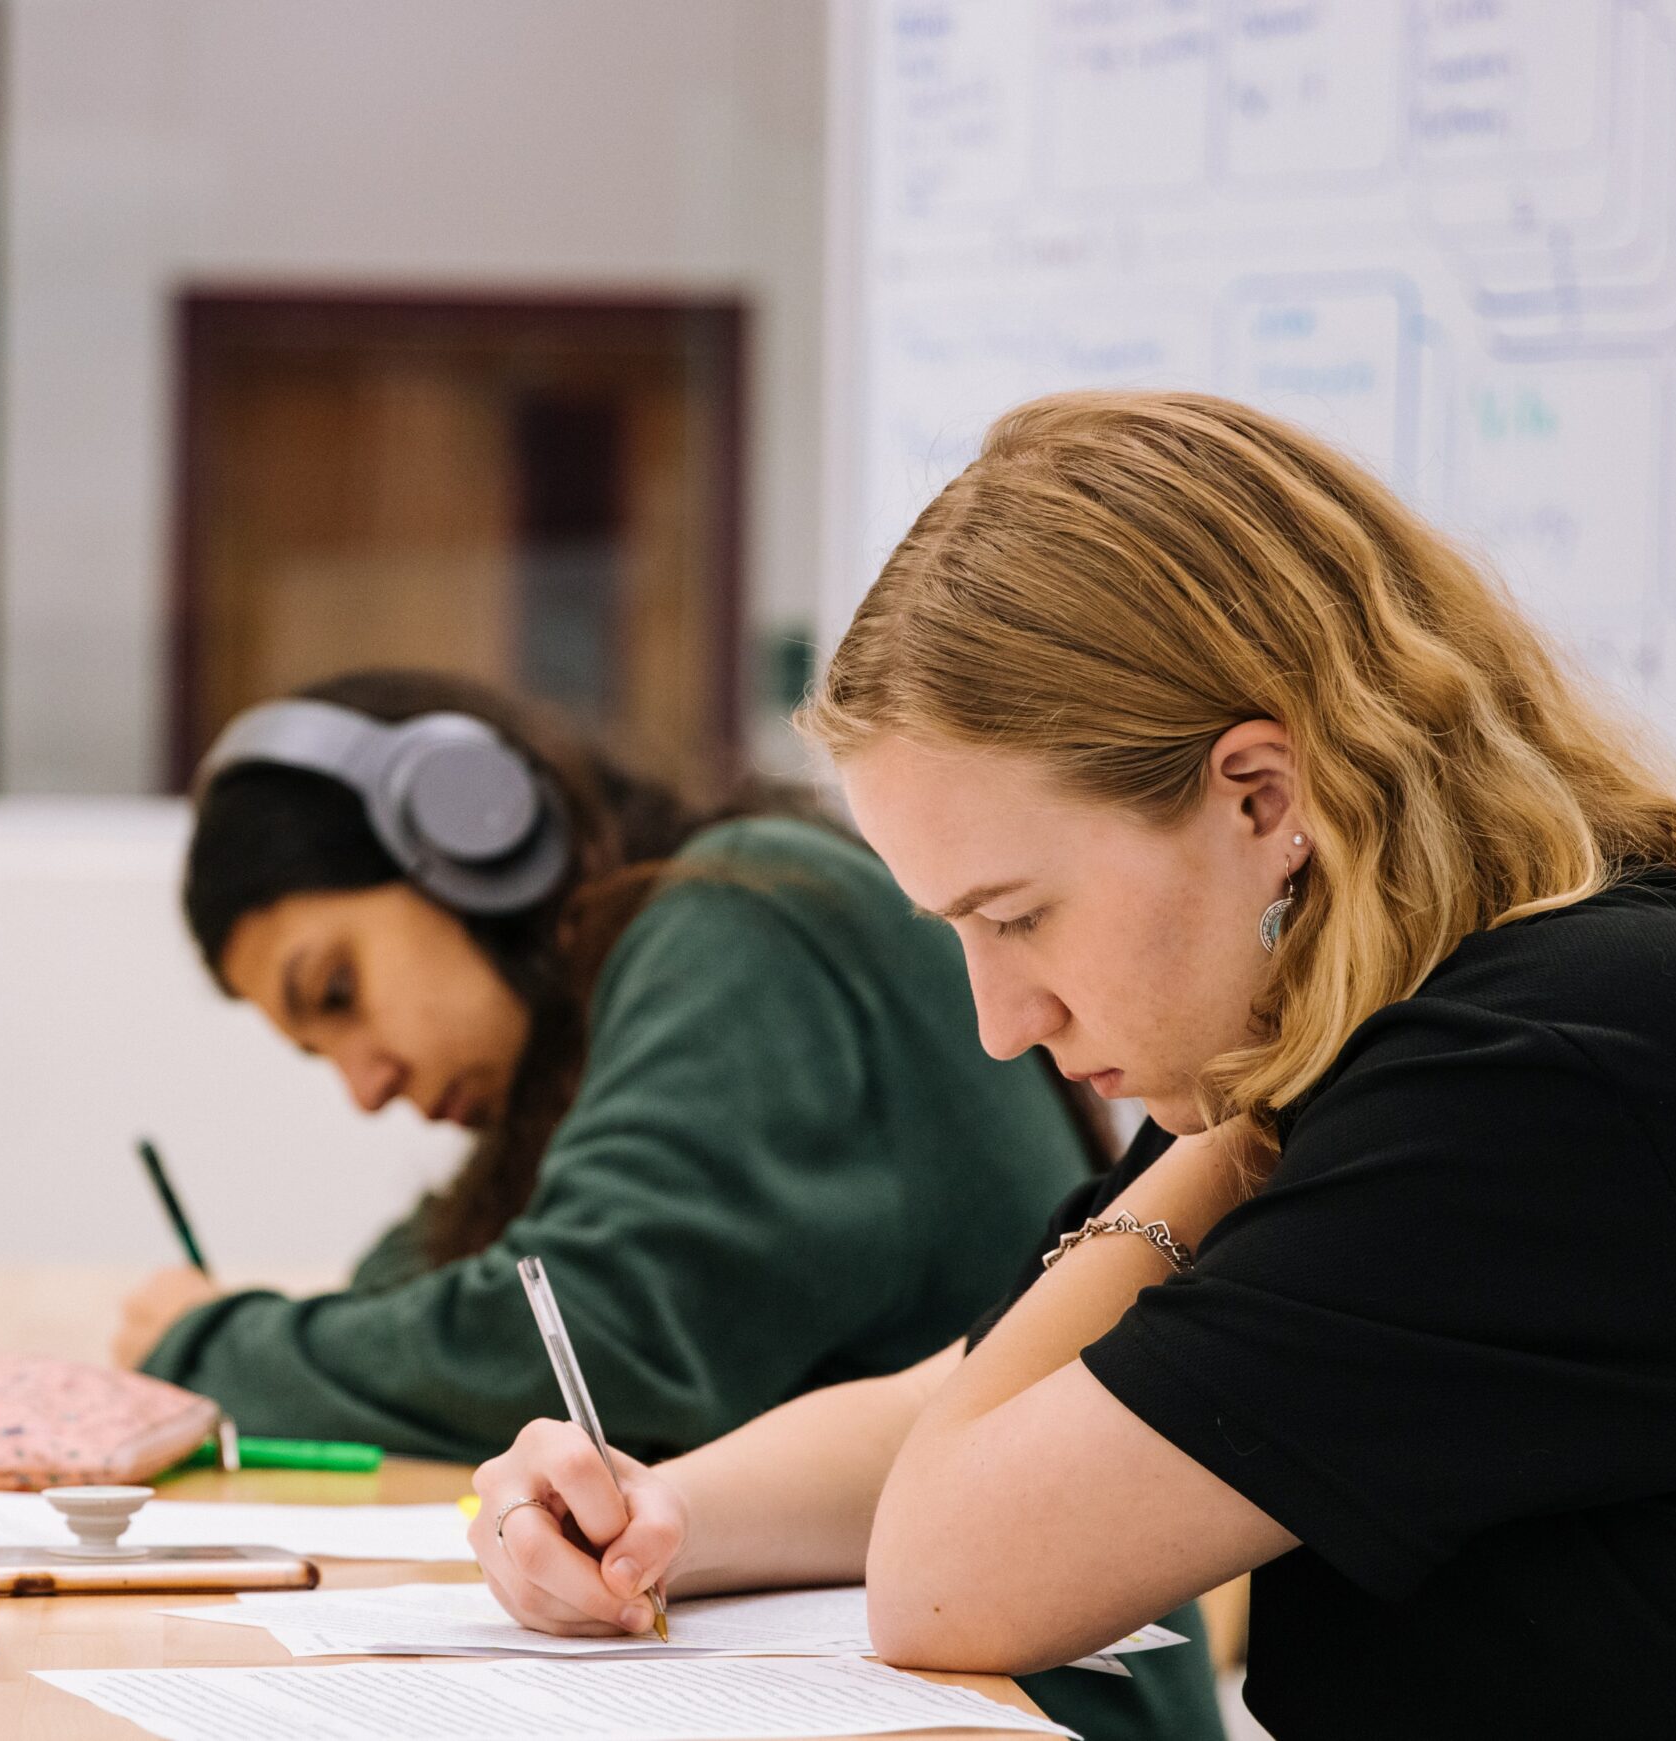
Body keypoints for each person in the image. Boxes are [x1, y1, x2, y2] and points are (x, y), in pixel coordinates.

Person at [467, 390, 1676, 1737]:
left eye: (1018, 917)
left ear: (1265, 796)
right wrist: (660, 1513)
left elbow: (956, 1575)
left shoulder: (1545, 1068)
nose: (1003, 1024)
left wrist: (1220, 1143)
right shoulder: (1367, 1017)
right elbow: (987, 1404)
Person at [115, 667, 1226, 1741]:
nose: (367, 1085)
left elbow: (585, 1337)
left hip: (1022, 1709)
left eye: (340, 993)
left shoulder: (747, 925)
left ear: (471, 835)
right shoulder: (609, 1012)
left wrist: (197, 1344)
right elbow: (411, 1300)